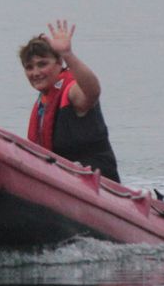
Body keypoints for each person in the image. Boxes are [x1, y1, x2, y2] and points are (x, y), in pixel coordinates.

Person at [18, 20, 121, 183]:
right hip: (61, 181)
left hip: (98, 183)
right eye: (29, 67)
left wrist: (67, 54)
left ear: (59, 63)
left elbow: (92, 91)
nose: (35, 72)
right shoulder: (43, 104)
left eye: (42, 64)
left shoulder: (71, 91)